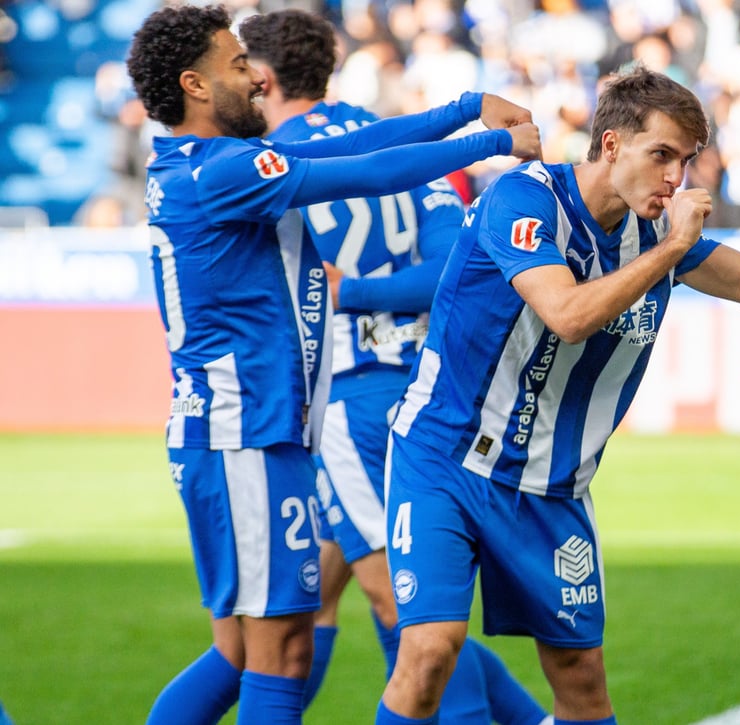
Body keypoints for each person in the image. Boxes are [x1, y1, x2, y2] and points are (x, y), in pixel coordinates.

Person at [376, 64, 740, 724]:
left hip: (550, 483)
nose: (676, 178)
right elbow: (565, 311)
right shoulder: (525, 200)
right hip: (445, 459)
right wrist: (676, 246)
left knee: (582, 680)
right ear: (612, 144)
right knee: (429, 653)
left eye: (686, 161)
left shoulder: (653, 237)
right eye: (662, 155)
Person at [125, 4, 540, 724]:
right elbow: (373, 167)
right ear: (194, 85)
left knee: (243, 650)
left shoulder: (200, 166)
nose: (254, 78)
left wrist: (467, 110)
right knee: (283, 648)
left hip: (252, 430)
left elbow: (364, 146)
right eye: (235, 65)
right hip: (247, 431)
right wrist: (488, 139)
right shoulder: (224, 170)